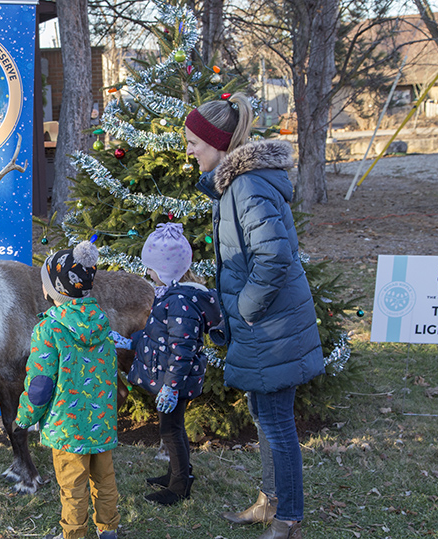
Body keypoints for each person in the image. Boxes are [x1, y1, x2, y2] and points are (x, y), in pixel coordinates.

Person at [185, 93, 324, 539]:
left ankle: (289, 519)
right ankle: (270, 503)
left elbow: (274, 257)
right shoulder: (235, 184)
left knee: (278, 424)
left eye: (193, 143)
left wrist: (243, 310)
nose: (189, 151)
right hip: (263, 324)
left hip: (272, 324)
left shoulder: (246, 186)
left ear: (218, 142)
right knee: (264, 416)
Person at [14, 240, 120, 539]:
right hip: (101, 424)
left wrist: (24, 417)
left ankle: (73, 535)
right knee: (105, 480)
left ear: (53, 289)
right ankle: (108, 530)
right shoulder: (101, 322)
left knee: (73, 489)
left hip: (67, 428)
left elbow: (40, 384)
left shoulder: (49, 329)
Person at [116, 223, 221, 506]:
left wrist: (171, 388)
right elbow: (156, 337)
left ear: (166, 270)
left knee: (170, 430)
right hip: (169, 378)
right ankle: (178, 472)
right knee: (174, 428)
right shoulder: (170, 297)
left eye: (151, 268)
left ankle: (179, 487)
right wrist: (129, 342)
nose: (147, 273)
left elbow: (182, 349)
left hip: (174, 380)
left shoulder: (180, 304)